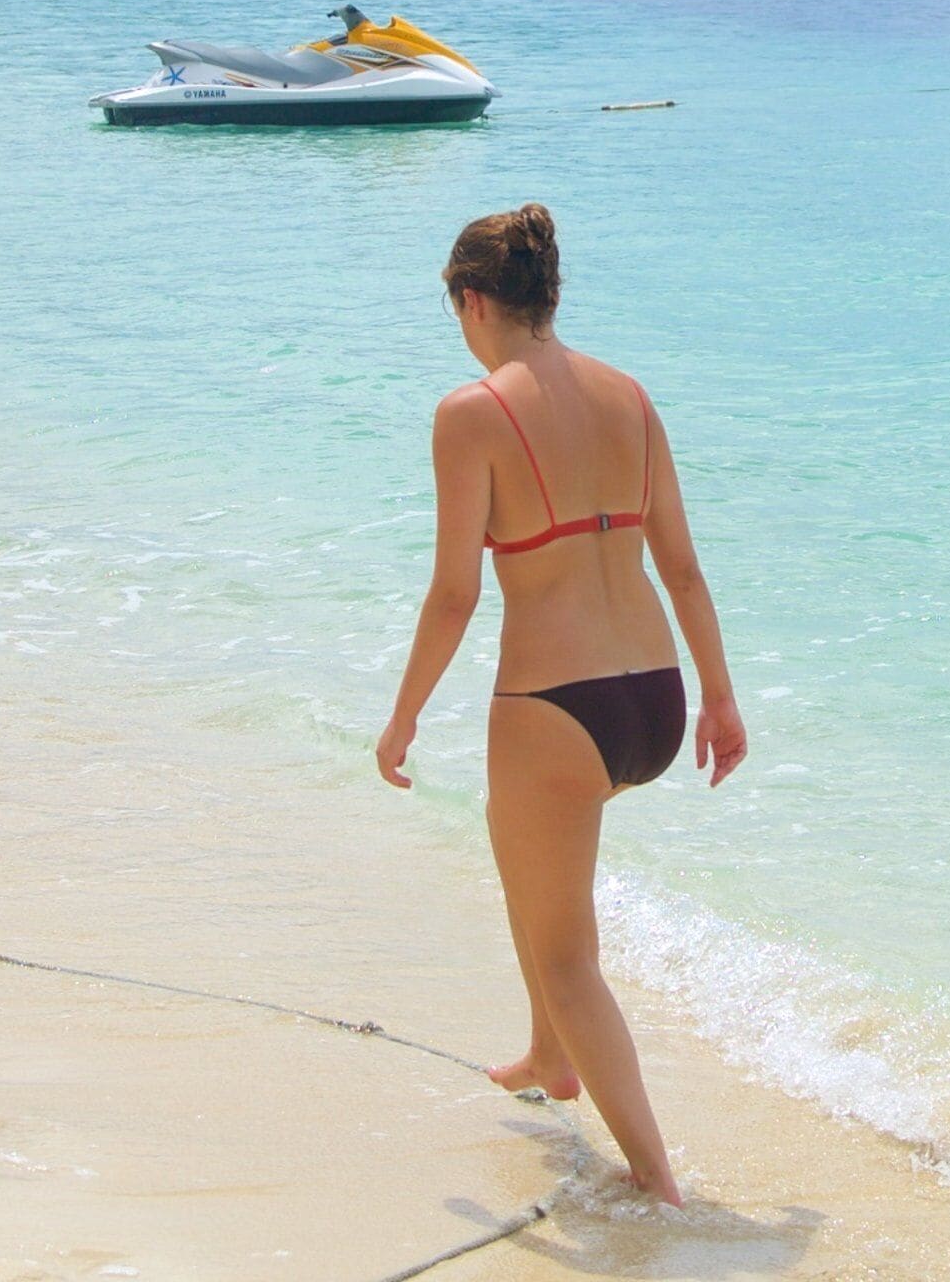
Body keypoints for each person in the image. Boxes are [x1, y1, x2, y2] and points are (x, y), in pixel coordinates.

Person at [374, 205, 746, 1204]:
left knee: (566, 949)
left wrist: (403, 715)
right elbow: (682, 566)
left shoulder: (471, 413)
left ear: (474, 299)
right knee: (523, 852)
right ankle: (549, 1055)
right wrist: (719, 698)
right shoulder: (631, 397)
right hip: (655, 701)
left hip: (556, 705)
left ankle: (659, 1180)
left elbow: (455, 592)